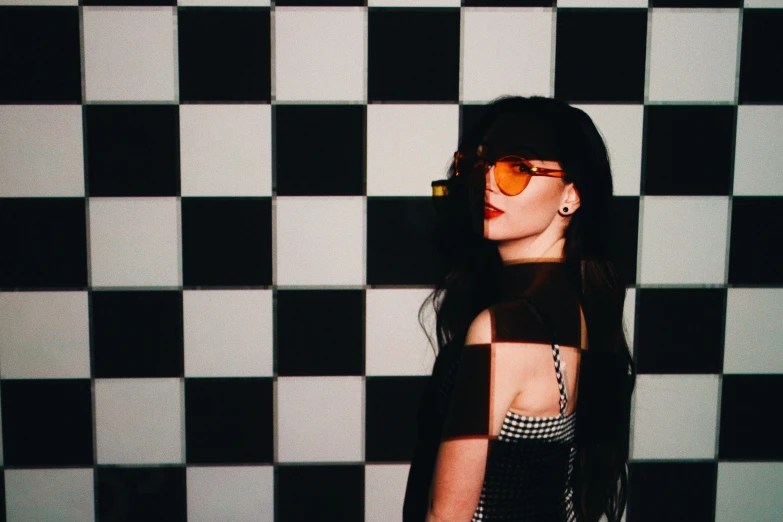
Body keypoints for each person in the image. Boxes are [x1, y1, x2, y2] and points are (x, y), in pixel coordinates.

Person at [403, 96, 636, 522]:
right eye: (479, 163)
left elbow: (447, 517)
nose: (487, 180)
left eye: (518, 168)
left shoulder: (503, 328)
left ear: (572, 195)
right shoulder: (575, 309)